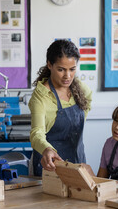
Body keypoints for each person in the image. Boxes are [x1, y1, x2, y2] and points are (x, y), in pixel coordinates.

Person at [29, 40, 92, 176]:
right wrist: (46, 149)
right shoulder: (40, 97)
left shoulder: (79, 88)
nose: (67, 76)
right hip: (50, 166)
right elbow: (36, 134)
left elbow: (88, 101)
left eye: (72, 69)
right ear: (50, 65)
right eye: (61, 69)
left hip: (77, 162)